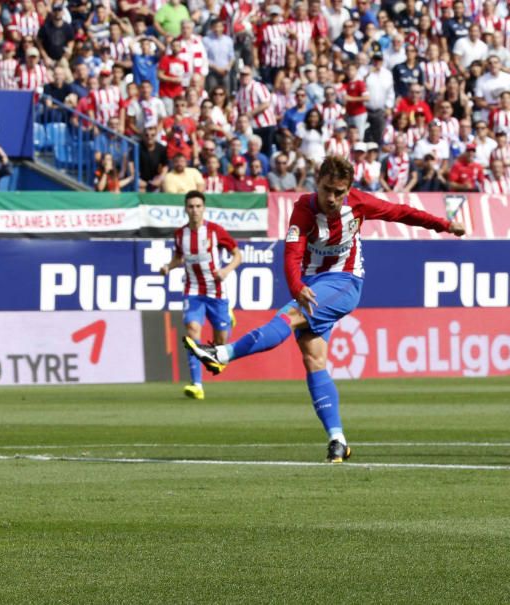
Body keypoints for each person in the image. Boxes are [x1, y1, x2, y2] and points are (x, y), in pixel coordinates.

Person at [184, 155, 465, 462]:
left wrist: (445, 224)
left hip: (345, 282)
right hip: (312, 285)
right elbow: (291, 255)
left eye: (339, 192)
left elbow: (402, 213)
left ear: (348, 190)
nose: (332, 198)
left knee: (288, 317)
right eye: (327, 189)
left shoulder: (360, 204)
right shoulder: (303, 209)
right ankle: (338, 439)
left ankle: (222, 354)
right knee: (313, 359)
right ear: (316, 183)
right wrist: (297, 288)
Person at [161, 191, 241, 400]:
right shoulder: (180, 235)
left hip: (216, 291)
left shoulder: (215, 231)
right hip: (193, 290)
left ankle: (227, 319)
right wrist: (168, 266)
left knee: (219, 346)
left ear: (203, 208)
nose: (194, 210)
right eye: (191, 206)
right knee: (192, 330)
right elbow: (179, 257)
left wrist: (226, 270)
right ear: (185, 209)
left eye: (198, 206)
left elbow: (237, 254)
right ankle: (196, 384)